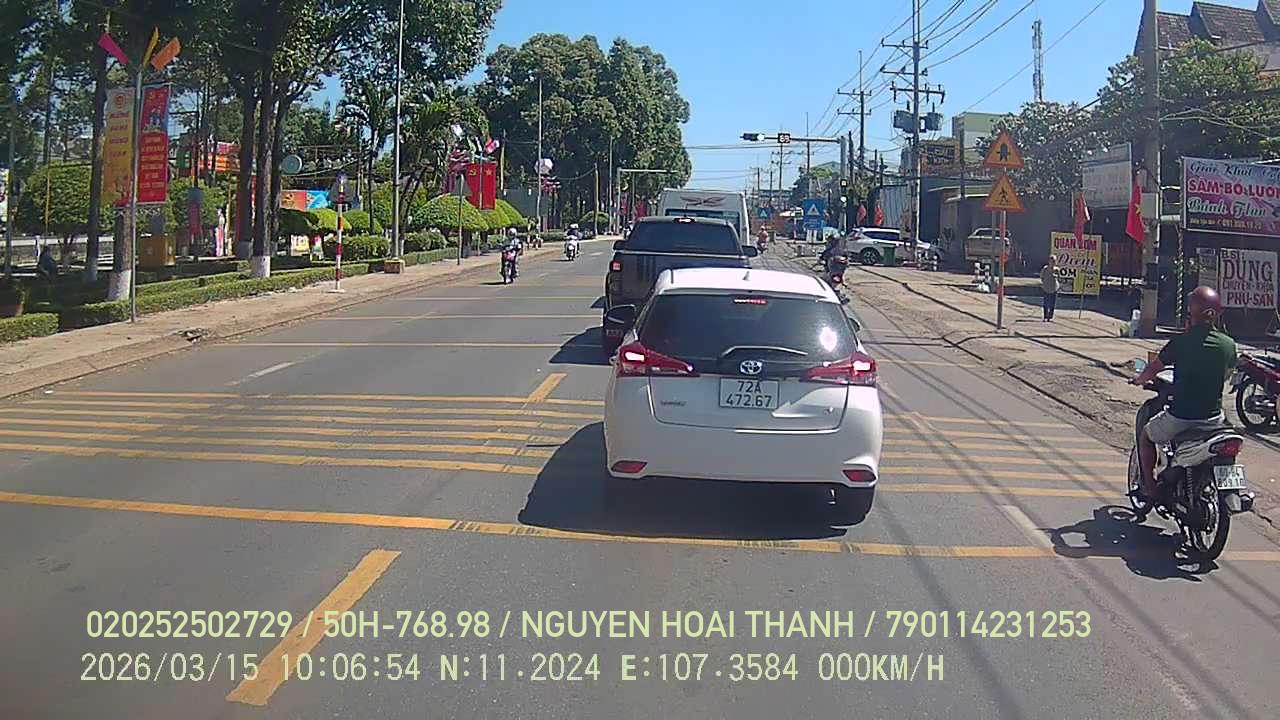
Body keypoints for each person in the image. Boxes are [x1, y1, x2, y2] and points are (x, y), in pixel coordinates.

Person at [1130, 286, 1237, 500]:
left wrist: (1138, 379)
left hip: (1181, 418)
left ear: (1191, 312)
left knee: (1146, 436)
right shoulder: (1228, 344)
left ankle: (1150, 487)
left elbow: (1153, 368)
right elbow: (1227, 375)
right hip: (1214, 419)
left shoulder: (1180, 342)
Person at [1040, 255, 1060, 321]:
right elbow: (1042, 277)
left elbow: (1059, 278)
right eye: (1052, 261)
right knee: (1046, 303)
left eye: (1054, 261)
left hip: (1054, 288)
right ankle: (1045, 316)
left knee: (1052, 303)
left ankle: (1050, 317)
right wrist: (1044, 283)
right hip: (1046, 288)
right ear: (1049, 261)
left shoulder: (1057, 270)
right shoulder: (1045, 269)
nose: (1053, 263)